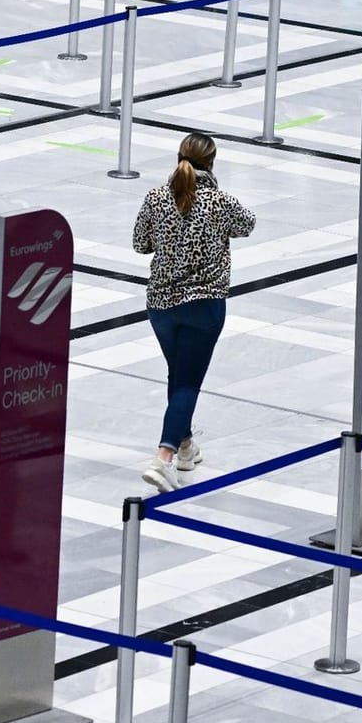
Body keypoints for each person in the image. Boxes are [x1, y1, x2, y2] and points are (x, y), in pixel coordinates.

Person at [132, 133, 256, 494]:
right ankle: (164, 458)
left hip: (161, 305)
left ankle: (185, 446)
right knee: (187, 382)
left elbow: (141, 243)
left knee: (179, 373)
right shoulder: (219, 203)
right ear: (212, 162)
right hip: (204, 305)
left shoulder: (156, 198)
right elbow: (248, 224)